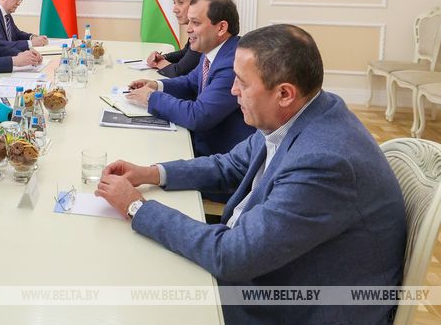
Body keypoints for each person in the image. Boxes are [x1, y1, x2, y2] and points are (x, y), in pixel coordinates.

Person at [96, 24, 406, 325]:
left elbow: (233, 256)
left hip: (291, 306)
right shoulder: (302, 111)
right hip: (267, 267)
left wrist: (137, 207)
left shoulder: (324, 162)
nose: (233, 90)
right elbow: (228, 166)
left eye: (242, 83)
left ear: (284, 93)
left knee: (132, 295)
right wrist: (151, 173)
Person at [127, 0, 254, 158]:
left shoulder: (233, 63)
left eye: (195, 22)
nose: (188, 29)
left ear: (221, 27)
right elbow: (190, 82)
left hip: (219, 156)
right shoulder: (214, 51)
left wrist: (151, 98)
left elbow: (199, 116)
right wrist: (156, 85)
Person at [146, 0, 205, 77]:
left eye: (180, 2)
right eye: (174, 3)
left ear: (197, 4)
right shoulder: (195, 28)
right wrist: (162, 57)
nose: (174, 9)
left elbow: (178, 72)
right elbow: (184, 52)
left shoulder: (203, 31)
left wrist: (158, 63)